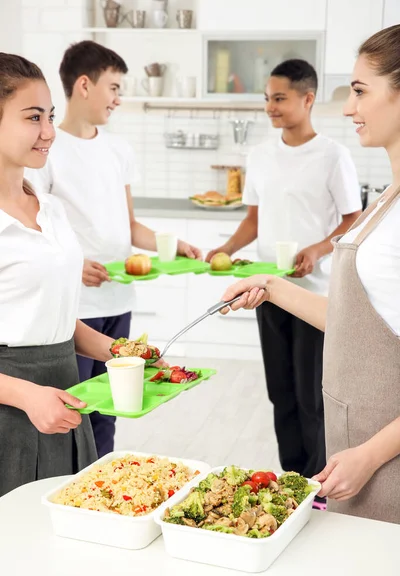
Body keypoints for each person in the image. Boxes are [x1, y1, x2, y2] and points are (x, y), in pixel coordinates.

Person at [220, 25, 400, 524]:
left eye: (360, 91)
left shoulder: (344, 165)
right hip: (359, 455)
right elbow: (357, 323)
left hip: (380, 458)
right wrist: (272, 285)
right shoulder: (388, 198)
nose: (348, 108)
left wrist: (369, 454)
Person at [26, 41, 202, 459]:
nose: (119, 99)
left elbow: (129, 224)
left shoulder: (118, 150)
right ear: (84, 85)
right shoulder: (46, 150)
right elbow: (38, 229)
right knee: (79, 406)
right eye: (114, 87)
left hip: (118, 299)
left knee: (115, 406)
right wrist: (75, 268)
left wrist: (170, 245)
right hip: (75, 305)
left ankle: (101, 474)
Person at [206, 59, 361, 495]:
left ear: (307, 99)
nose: (270, 107)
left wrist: (317, 249)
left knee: (313, 398)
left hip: (314, 297)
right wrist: (226, 250)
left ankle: (318, 486)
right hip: (267, 292)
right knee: (281, 393)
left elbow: (353, 219)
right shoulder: (260, 155)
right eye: (267, 98)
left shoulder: (333, 155)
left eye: (279, 98)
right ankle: (293, 481)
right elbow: (254, 219)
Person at [0, 52, 122, 497]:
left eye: (50, 116)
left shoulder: (50, 211)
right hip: (11, 412)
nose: (50, 132)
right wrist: (28, 396)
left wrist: (120, 351)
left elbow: (53, 319)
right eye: (34, 118)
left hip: (66, 393)